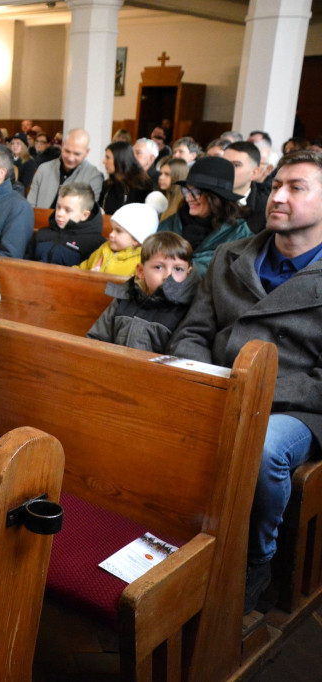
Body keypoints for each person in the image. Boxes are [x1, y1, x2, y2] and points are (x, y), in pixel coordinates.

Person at [169, 150, 322, 614]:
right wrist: (207, 379)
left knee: (263, 449)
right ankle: (174, 542)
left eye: (296, 188)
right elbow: (194, 330)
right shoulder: (234, 256)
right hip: (221, 385)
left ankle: (256, 558)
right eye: (276, 186)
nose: (278, 196)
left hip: (297, 406)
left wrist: (255, 393)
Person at [87, 231, 197, 353]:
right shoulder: (124, 299)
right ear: (141, 271)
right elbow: (97, 339)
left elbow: (178, 361)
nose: (168, 276)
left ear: (188, 273)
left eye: (178, 269)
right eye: (159, 267)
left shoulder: (185, 311)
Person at [157, 156, 253, 275]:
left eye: (196, 192)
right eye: (186, 191)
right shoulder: (171, 223)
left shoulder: (238, 234)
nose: (189, 198)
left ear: (216, 198)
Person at [27, 183, 105, 266]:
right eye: (58, 207)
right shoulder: (42, 233)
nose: (59, 213)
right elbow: (26, 262)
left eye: (68, 210)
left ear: (84, 215)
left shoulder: (95, 244)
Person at [77, 201, 159, 276]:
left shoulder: (140, 263)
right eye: (112, 229)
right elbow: (84, 267)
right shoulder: (104, 248)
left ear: (136, 240)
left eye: (118, 231)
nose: (111, 234)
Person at [28, 128, 104, 209]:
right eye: (67, 151)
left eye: (77, 154)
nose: (70, 158)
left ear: (86, 152)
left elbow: (88, 212)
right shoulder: (44, 169)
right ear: (62, 146)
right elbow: (30, 205)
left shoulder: (94, 176)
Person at [224, 141, 270, 234]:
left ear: (254, 173)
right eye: (224, 164)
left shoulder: (265, 209)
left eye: (236, 165)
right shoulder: (207, 198)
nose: (227, 169)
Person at [100, 141, 153, 215]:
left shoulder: (142, 185)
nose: (104, 161)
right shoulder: (107, 184)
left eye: (108, 158)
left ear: (120, 159)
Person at [158, 156, 190, 220]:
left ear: (178, 176)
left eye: (167, 174)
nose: (161, 177)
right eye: (160, 173)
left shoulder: (185, 203)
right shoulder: (159, 196)